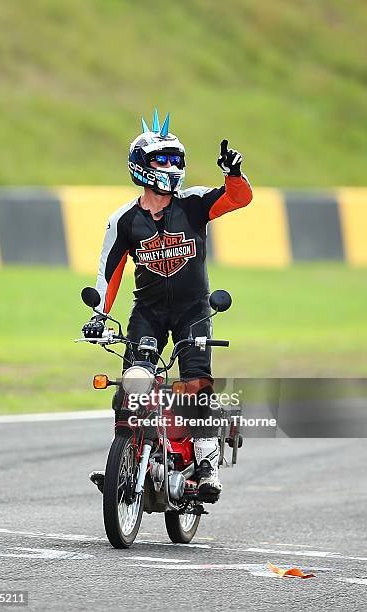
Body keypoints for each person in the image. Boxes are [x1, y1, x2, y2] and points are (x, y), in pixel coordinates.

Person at [82, 109, 253, 498]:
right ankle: (124, 455)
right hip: (148, 313)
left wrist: (233, 173)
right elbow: (109, 273)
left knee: (195, 384)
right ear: (140, 166)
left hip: (194, 310)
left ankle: (207, 465)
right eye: (162, 159)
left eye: (177, 159)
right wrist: (98, 316)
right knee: (131, 387)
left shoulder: (194, 203)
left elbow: (238, 198)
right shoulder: (123, 220)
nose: (172, 167)